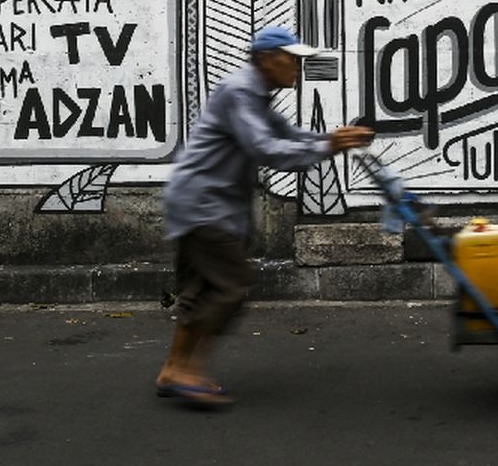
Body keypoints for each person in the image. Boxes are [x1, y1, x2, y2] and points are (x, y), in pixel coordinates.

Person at [155, 25, 373, 407]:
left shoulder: (256, 94)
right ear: (266, 60)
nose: (297, 68)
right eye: (291, 60)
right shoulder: (241, 92)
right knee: (231, 284)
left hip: (201, 201)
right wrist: (326, 147)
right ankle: (187, 372)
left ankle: (174, 370)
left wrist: (331, 139)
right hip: (205, 205)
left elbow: (287, 133)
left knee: (200, 289)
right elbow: (266, 148)